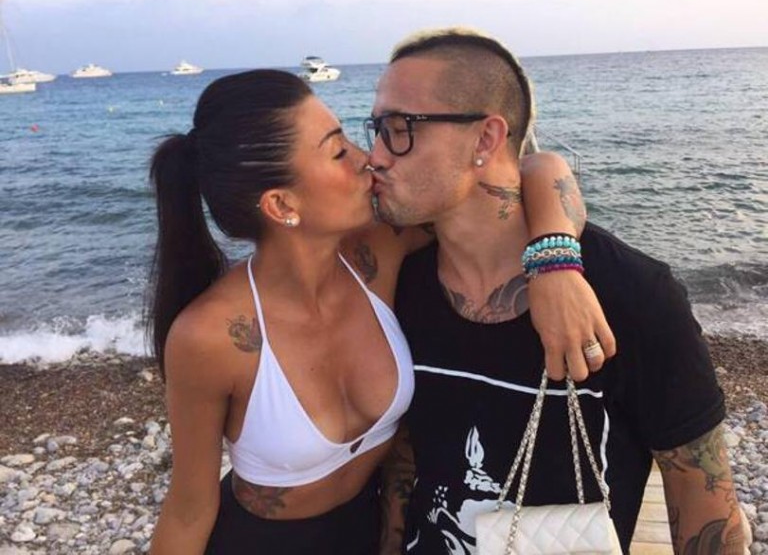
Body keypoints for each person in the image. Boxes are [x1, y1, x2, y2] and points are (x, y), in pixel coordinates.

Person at [145, 69, 606, 554]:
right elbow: (189, 510)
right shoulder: (210, 337)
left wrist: (555, 264)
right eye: (338, 151)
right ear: (281, 204)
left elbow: (529, 171)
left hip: (371, 530)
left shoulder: (380, 252)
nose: (367, 158)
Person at [368, 28, 745, 554]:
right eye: (375, 130)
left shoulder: (631, 294)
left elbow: (703, 504)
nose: (376, 156)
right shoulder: (403, 283)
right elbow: (407, 461)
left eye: (399, 129)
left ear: (485, 139)